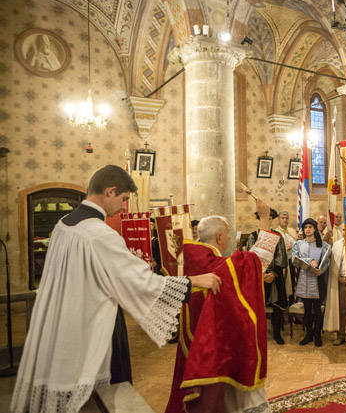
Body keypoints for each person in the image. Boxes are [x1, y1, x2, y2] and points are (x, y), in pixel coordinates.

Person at [11, 165, 220, 413]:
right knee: (106, 396)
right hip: (94, 326)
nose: (123, 207)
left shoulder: (63, 225)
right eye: (123, 200)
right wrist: (195, 280)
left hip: (62, 321)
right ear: (109, 192)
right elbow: (140, 281)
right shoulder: (98, 234)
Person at [166, 200, 278, 413]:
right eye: (227, 233)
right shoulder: (216, 266)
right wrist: (265, 220)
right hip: (216, 347)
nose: (228, 238)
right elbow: (256, 260)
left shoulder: (190, 261)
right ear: (219, 237)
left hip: (198, 347)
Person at [244, 208, 288, 345]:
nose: (267, 220)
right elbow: (250, 259)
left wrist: (273, 274)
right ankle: (257, 334)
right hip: (257, 278)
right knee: (256, 305)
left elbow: (282, 259)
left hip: (274, 276)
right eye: (264, 218)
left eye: (270, 218)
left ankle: (277, 333)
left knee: (276, 306)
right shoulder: (253, 236)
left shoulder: (277, 236)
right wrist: (261, 274)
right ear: (259, 219)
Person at [292, 218, 331, 346]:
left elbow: (327, 261)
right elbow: (294, 260)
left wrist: (322, 270)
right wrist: (309, 260)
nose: (307, 229)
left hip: (318, 281)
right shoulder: (298, 244)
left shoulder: (323, 245)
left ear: (314, 229)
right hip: (304, 281)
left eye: (310, 227)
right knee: (307, 310)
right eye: (305, 227)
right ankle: (308, 334)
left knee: (318, 310)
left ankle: (317, 335)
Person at [323, 236, 346, 345]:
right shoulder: (337, 245)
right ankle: (341, 335)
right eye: (343, 229)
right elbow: (333, 266)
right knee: (342, 310)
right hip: (342, 281)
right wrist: (338, 277)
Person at [273, 210, 297, 304]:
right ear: (278, 220)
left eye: (287, 218)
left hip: (293, 261)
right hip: (283, 264)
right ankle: (283, 304)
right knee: (284, 285)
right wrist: (290, 247)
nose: (285, 220)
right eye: (283, 218)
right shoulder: (276, 232)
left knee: (293, 284)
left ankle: (292, 303)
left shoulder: (291, 231)